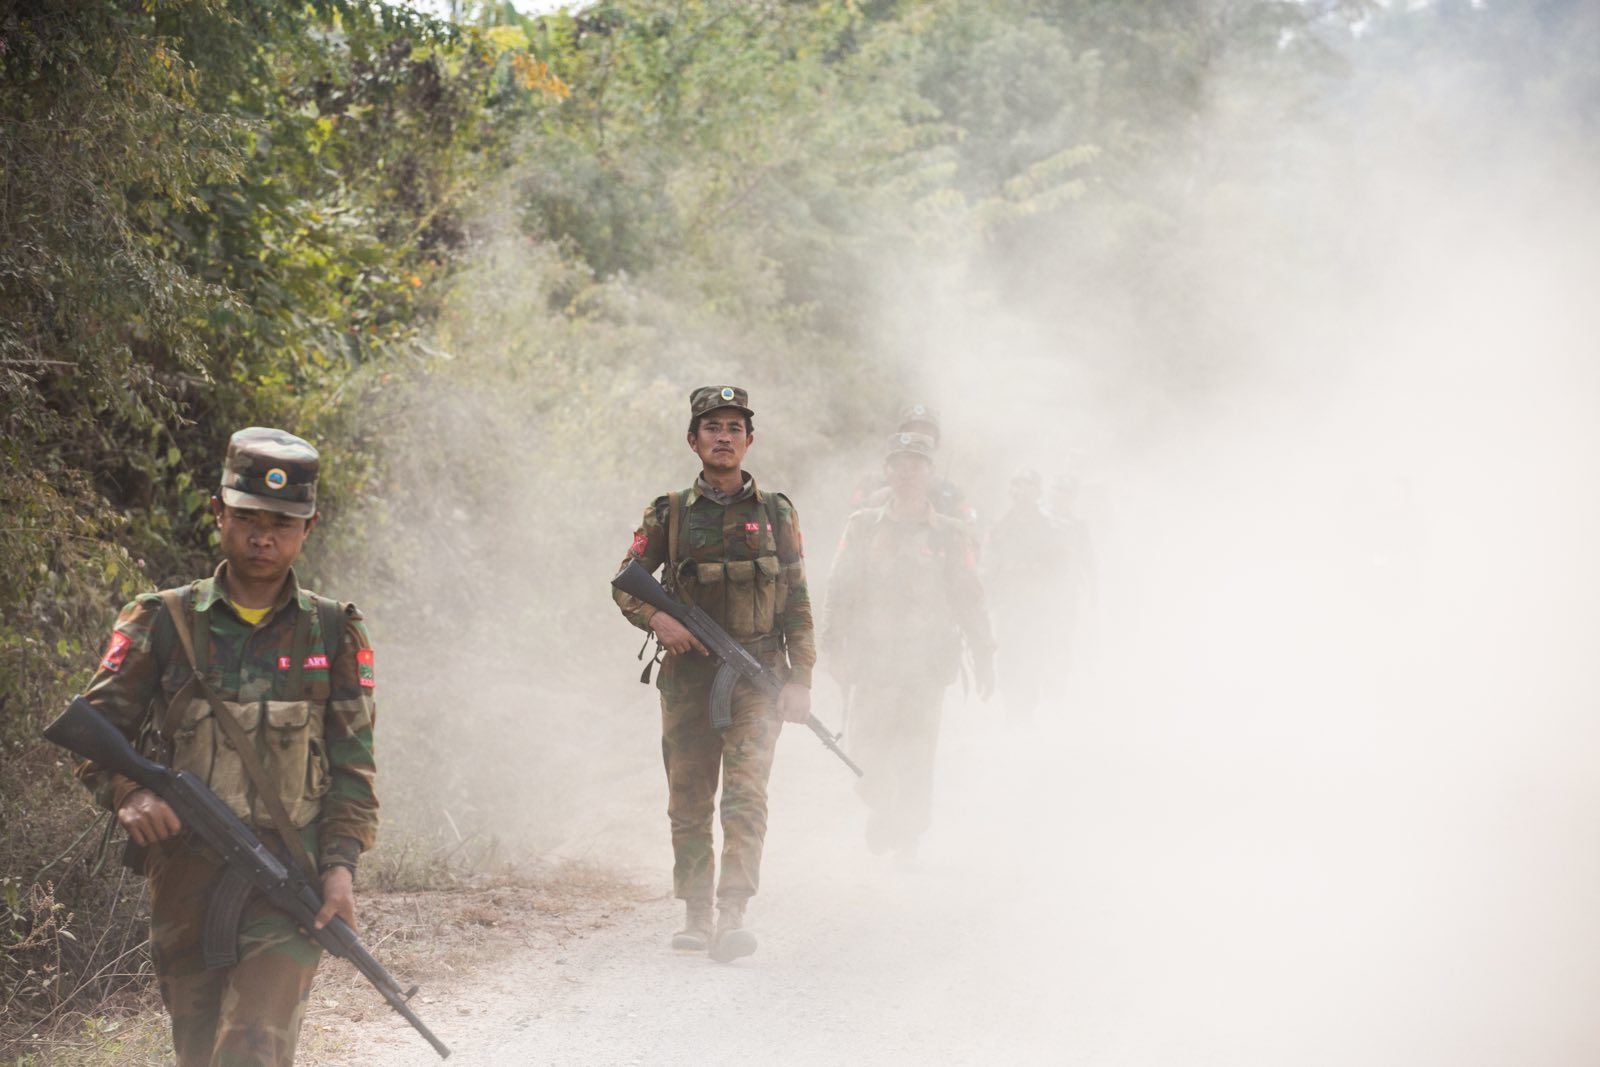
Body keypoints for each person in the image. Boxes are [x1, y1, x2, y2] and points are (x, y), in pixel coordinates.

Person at [75, 428, 378, 1067]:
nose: (262, 536)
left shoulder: (333, 629)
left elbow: (353, 761)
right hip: (184, 878)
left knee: (251, 1045)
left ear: (308, 527)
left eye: (281, 522)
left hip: (286, 876)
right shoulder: (161, 620)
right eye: (246, 519)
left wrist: (341, 867)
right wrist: (128, 793)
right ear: (218, 513)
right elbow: (93, 730)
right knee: (198, 1051)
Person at [612, 385, 815, 963]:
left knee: (746, 796)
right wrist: (657, 619)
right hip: (689, 676)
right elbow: (624, 581)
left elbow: (798, 599)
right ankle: (696, 912)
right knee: (690, 799)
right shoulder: (669, 512)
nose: (723, 437)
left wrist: (800, 678)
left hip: (757, 674)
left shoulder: (777, 512)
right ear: (693, 439)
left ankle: (733, 911)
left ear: (750, 440)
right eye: (712, 427)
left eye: (734, 428)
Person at [823, 432, 995, 859]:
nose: (907, 472)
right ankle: (883, 807)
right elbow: (839, 587)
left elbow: (970, 596)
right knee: (865, 749)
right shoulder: (863, 525)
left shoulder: (950, 534)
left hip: (925, 663)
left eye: (916, 464)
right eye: (898, 464)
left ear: (930, 473)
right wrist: (831, 646)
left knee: (917, 751)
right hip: (873, 660)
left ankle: (909, 835)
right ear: (887, 471)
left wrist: (984, 654)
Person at [983, 470, 1078, 724]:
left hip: (1037, 605)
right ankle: (1011, 707)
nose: (1020, 492)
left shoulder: (1049, 528)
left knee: (1033, 655)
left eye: (1027, 486)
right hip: (1009, 604)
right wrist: (989, 593)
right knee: (1007, 657)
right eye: (1016, 486)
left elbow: (1059, 567)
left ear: (1037, 492)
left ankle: (1025, 709)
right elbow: (989, 563)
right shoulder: (1001, 525)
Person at [851, 404, 975, 524]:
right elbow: (852, 523)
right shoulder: (872, 483)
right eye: (911, 432)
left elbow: (967, 530)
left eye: (925, 435)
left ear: (937, 444)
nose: (916, 440)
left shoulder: (950, 492)